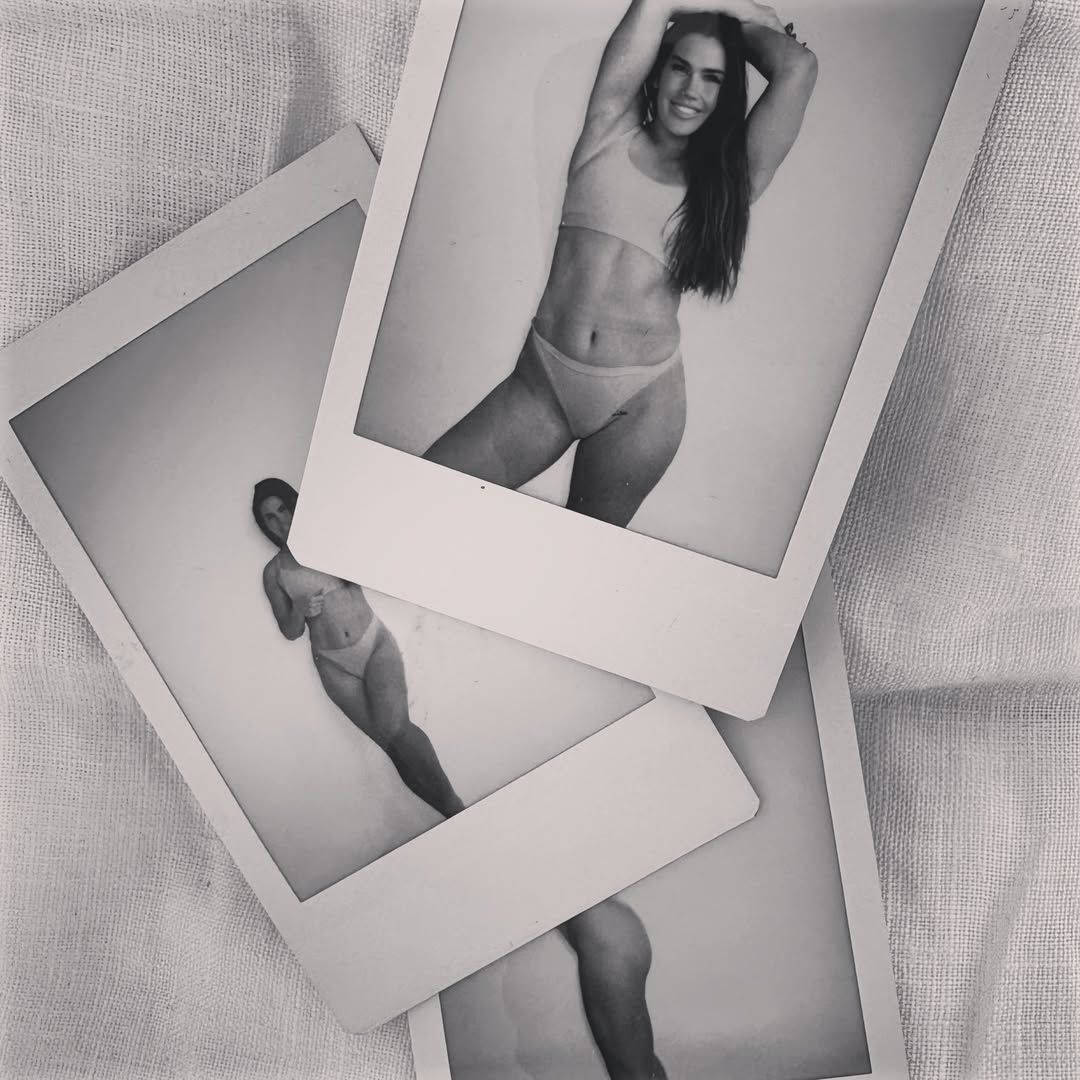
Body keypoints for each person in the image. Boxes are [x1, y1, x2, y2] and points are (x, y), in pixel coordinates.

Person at [425, 0, 817, 529]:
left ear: (725, 95)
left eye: (712, 78)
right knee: (419, 500)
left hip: (641, 406)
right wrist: (743, 10)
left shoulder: (728, 183)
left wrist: (741, 31)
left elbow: (798, 66)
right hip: (542, 384)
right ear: (656, 70)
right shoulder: (608, 126)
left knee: (575, 564)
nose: (691, 90)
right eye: (680, 67)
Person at [252, 478, 465, 820]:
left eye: (283, 509)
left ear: (295, 505)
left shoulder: (330, 537)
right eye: (270, 518)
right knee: (391, 746)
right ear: (265, 526)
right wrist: (299, 611)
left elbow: (378, 561)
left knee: (397, 728)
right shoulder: (274, 572)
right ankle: (450, 815)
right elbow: (290, 631)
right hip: (334, 666)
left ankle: (456, 805)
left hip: (374, 642)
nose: (280, 521)